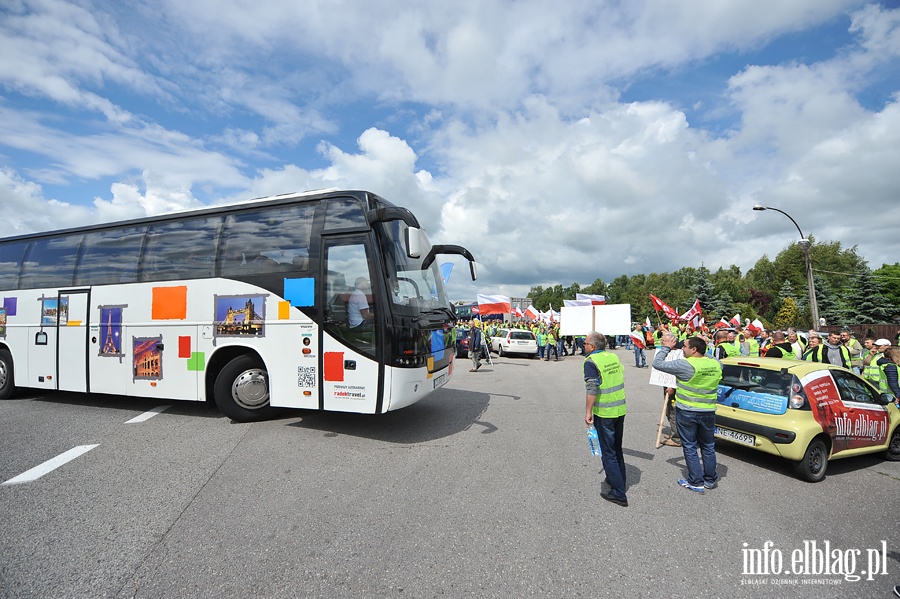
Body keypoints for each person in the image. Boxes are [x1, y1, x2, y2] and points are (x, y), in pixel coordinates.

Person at [653, 332, 723, 494]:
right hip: (708, 411)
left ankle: (696, 481)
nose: (681, 348)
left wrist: (666, 348)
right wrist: (705, 349)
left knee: (690, 446)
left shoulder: (685, 364)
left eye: (684, 346)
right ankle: (710, 480)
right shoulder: (716, 365)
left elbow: (657, 363)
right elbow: (715, 360)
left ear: (694, 349)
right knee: (708, 446)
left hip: (688, 412)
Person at [583, 331, 628, 507]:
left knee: (608, 452)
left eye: (585, 343)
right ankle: (617, 480)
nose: (583, 345)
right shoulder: (612, 357)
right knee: (617, 449)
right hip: (620, 409)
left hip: (605, 412)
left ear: (592, 347)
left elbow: (592, 388)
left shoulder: (590, 362)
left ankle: (618, 493)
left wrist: (588, 411)